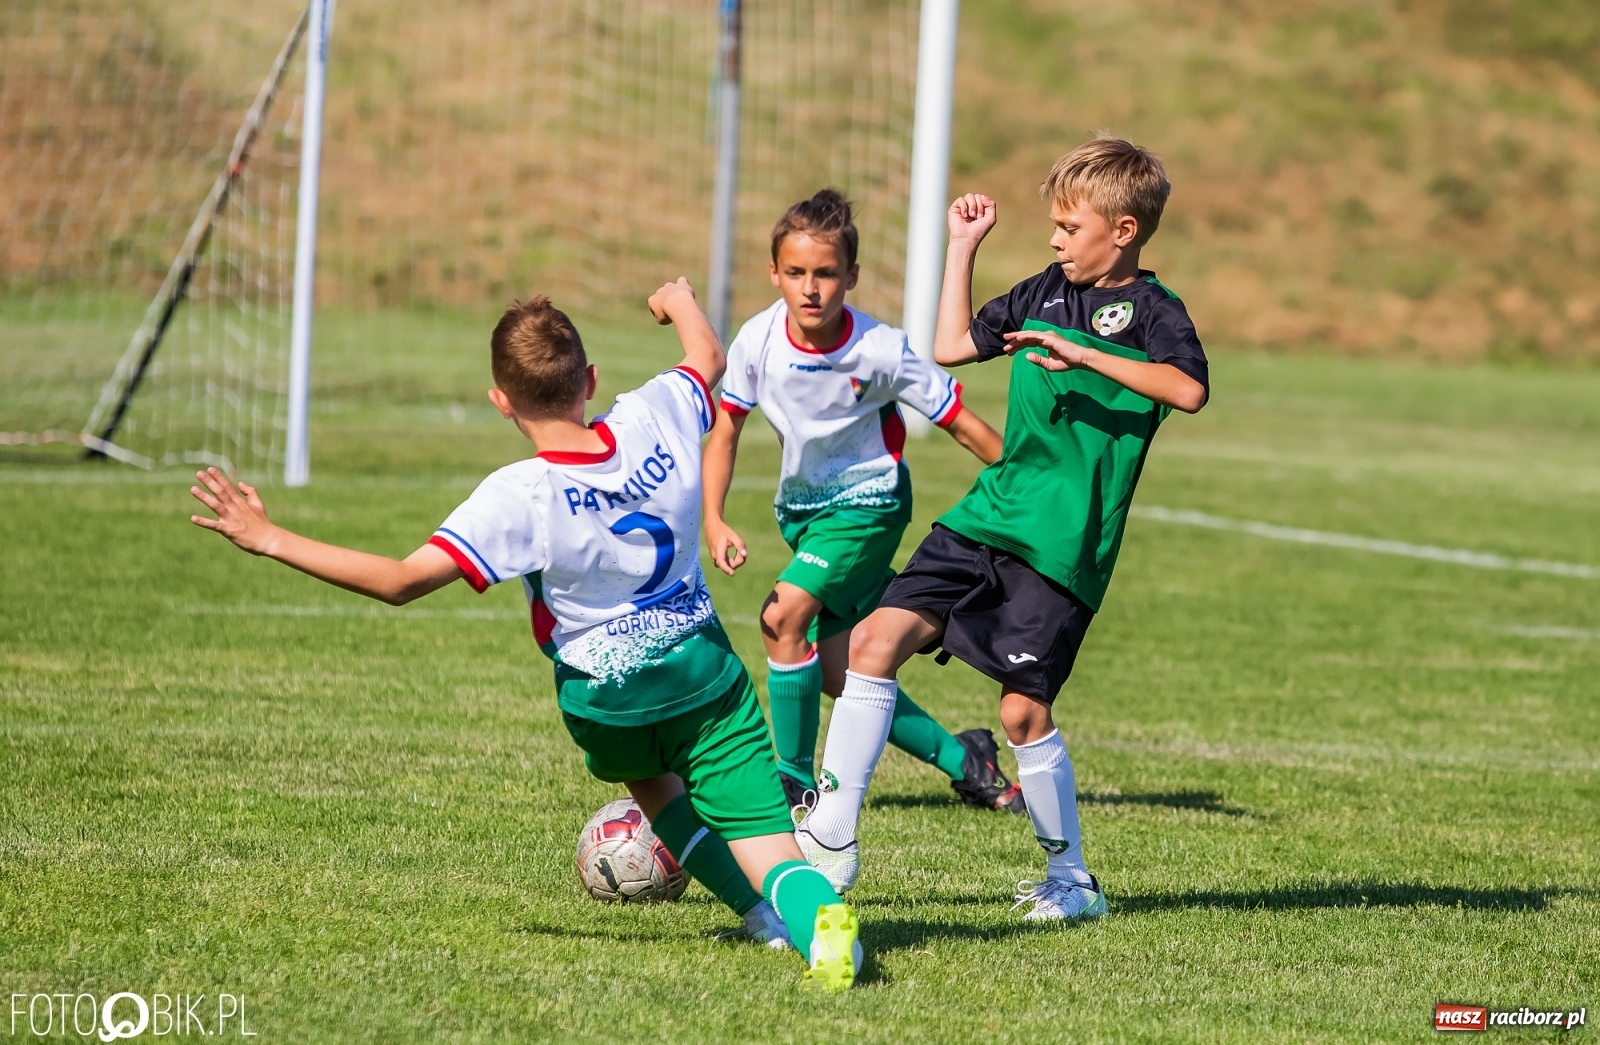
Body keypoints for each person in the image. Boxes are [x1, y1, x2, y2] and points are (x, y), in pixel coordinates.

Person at [187, 281, 863, 989]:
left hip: (603, 704)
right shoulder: (653, 413)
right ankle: (811, 917)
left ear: (501, 401)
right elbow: (707, 354)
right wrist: (677, 301)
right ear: (591, 380)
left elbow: (398, 579)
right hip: (703, 680)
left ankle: (761, 918)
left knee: (654, 783)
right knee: (770, 843)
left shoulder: (519, 494)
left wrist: (267, 537)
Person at [794, 137, 1210, 917]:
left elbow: (1187, 390)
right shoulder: (1044, 289)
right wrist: (961, 250)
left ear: (1123, 230)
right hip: (987, 513)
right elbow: (952, 348)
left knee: (1021, 712)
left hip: (1060, 545)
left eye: (1070, 227)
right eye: (1052, 225)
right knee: (871, 645)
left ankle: (1071, 879)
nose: (1055, 240)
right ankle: (833, 841)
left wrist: (1083, 356)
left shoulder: (1155, 312)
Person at [701, 189, 1023, 827]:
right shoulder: (757, 339)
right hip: (803, 514)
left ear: (851, 275)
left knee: (781, 618)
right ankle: (967, 762)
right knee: (837, 668)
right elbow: (727, 429)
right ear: (774, 275)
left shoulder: (880, 349)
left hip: (869, 506)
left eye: (825, 273)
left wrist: (1025, 477)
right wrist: (713, 517)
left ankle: (792, 786)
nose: (810, 288)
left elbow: (960, 422)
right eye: (795, 273)